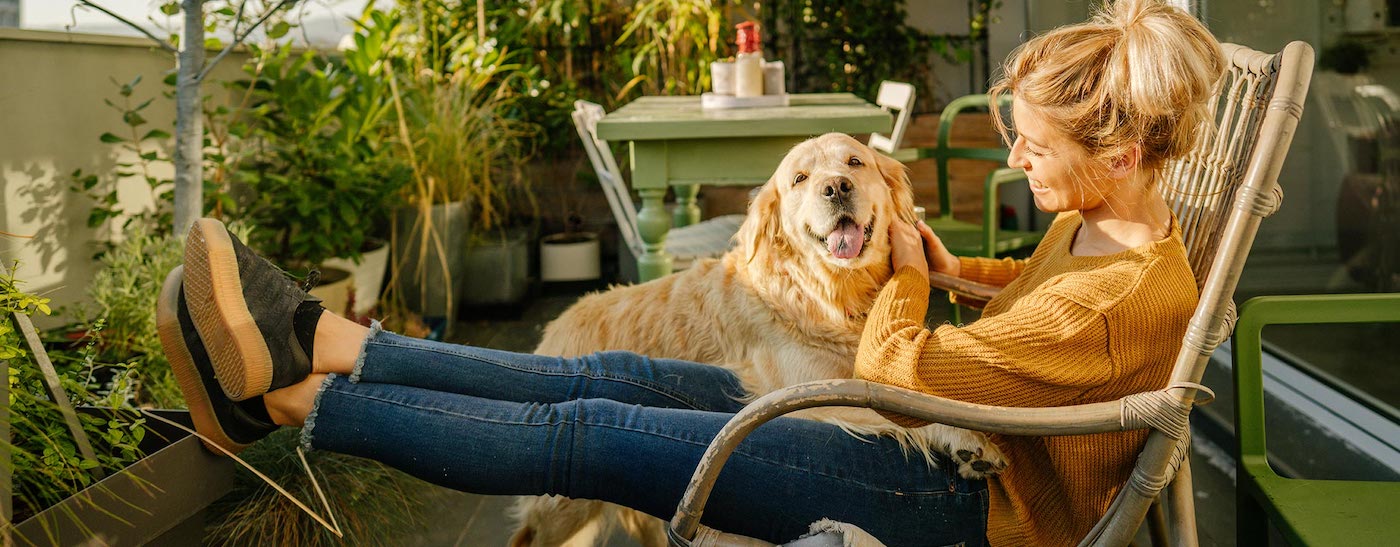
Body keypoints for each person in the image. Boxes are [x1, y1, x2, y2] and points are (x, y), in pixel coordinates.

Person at [158, 1, 1224, 545]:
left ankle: (293, 399)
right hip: (891, 432)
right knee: (599, 377)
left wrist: (904, 269)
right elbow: (1035, 296)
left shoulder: (1120, 292)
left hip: (946, 501)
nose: (1015, 160)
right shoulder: (1112, 230)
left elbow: (905, 369)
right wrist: (960, 266)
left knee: (592, 438)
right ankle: (327, 337)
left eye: (1033, 147)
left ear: (1118, 153)